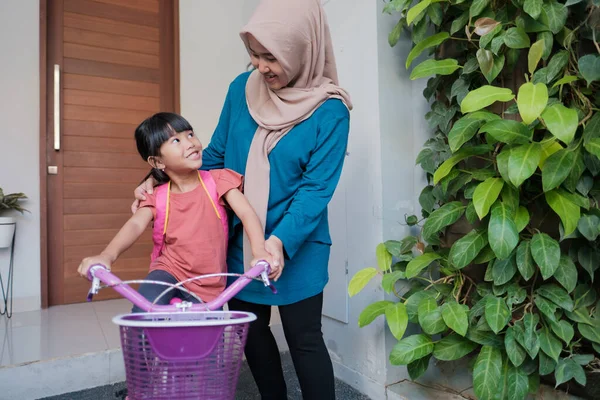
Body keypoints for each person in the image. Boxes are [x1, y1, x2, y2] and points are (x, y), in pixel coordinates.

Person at [133, 0, 352, 398]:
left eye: (272, 56)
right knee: (249, 333)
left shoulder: (331, 112)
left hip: (296, 243)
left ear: (303, 50)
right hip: (237, 238)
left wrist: (278, 241)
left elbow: (315, 190)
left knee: (304, 339)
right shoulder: (242, 88)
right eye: (254, 54)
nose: (260, 66)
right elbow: (213, 157)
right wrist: (157, 179)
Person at [78, 112, 274, 312]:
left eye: (190, 134)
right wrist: (107, 256)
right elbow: (135, 225)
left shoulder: (218, 181)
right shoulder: (157, 195)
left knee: (204, 338)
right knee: (144, 314)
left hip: (210, 283)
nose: (190, 143)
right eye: (176, 140)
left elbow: (247, 213)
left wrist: (259, 251)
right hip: (168, 272)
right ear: (157, 162)